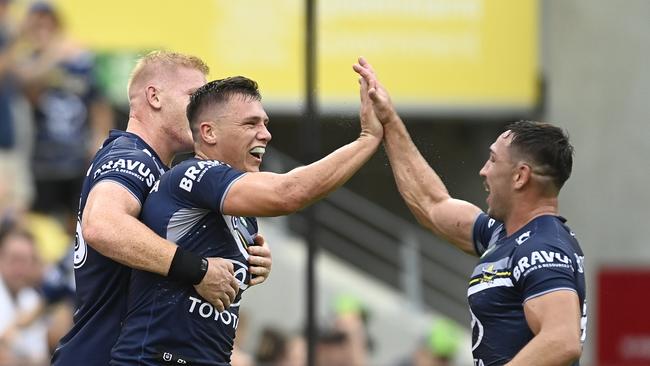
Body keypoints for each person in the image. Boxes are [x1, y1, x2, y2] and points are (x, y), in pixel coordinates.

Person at [110, 73, 383, 365]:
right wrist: (367, 139)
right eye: (251, 123)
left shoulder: (242, 214)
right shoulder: (196, 174)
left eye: (265, 123)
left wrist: (249, 270)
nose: (265, 134)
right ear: (209, 133)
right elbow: (289, 193)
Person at [353, 58, 586, 366]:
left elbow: (562, 340)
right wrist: (389, 121)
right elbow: (431, 205)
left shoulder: (542, 247)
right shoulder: (502, 235)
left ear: (520, 176)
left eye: (492, 160)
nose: (483, 171)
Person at [51, 51, 273, 365]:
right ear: (154, 97)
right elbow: (103, 225)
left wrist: (244, 259)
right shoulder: (131, 157)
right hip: (102, 354)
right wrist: (198, 268)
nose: (201, 109)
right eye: (194, 96)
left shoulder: (160, 170)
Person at [0, 229, 48, 365]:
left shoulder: (32, 300)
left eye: (25, 261)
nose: (19, 269)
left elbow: (40, 357)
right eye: (14, 260)